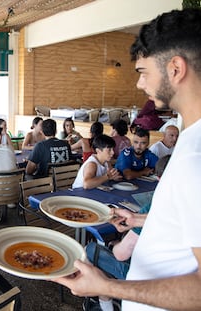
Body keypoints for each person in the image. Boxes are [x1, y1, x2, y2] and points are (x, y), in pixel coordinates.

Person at [52, 9, 201, 310]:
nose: (139, 84)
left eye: (143, 72)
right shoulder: (189, 140)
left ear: (175, 68)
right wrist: (142, 220)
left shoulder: (194, 159)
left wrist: (108, 285)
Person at [84, 154, 171, 311]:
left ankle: (106, 304)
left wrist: (115, 246)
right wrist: (134, 220)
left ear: (159, 179)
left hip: (147, 276)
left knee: (91, 250)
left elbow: (121, 255)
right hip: (174, 276)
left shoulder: (155, 205)